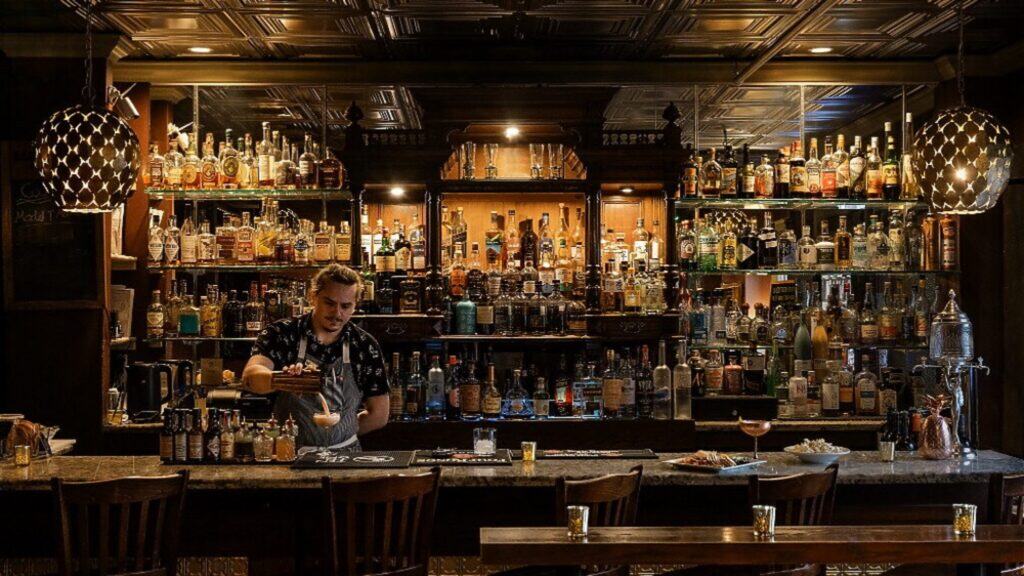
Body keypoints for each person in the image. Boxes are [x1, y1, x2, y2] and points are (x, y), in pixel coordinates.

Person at [242, 264, 389, 452]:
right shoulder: (281, 334)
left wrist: (340, 434)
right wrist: (283, 380)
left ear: (355, 305)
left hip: (346, 457)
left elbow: (379, 415)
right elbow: (250, 378)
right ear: (313, 296)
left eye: (345, 306)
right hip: (290, 453)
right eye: (329, 303)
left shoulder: (364, 345)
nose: (337, 313)